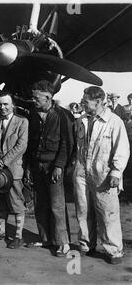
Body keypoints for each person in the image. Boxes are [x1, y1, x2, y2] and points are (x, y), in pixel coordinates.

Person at [73, 86, 129, 265]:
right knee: (83, 209)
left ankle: (113, 250)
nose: (83, 103)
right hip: (82, 171)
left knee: (107, 213)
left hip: (103, 173)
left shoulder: (114, 121)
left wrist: (116, 172)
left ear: (97, 102)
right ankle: (86, 244)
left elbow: (122, 149)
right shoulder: (81, 120)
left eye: (86, 100)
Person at [25, 80, 73, 257]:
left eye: (36, 97)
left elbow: (67, 144)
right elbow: (32, 142)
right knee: (41, 204)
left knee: (57, 206)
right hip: (37, 165)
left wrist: (59, 166)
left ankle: (63, 243)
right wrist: (30, 166)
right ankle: (46, 239)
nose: (34, 100)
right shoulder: (33, 115)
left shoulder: (62, 115)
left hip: (54, 167)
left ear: (48, 97)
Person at [0, 93, 28, 248]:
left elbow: (21, 146)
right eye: (0, 104)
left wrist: (4, 161)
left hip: (13, 171)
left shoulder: (22, 122)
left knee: (16, 202)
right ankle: (1, 231)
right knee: (1, 202)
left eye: (6, 104)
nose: (2, 107)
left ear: (13, 105)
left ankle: (18, 236)